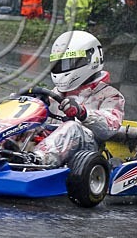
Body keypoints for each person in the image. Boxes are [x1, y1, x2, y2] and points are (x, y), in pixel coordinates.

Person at [30, 30, 125, 167]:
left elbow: (110, 126)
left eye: (69, 63)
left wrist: (82, 113)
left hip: (87, 151)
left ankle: (36, 162)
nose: (63, 68)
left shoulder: (109, 94)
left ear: (91, 59)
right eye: (59, 64)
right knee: (26, 123)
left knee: (72, 127)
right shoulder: (56, 93)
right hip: (52, 142)